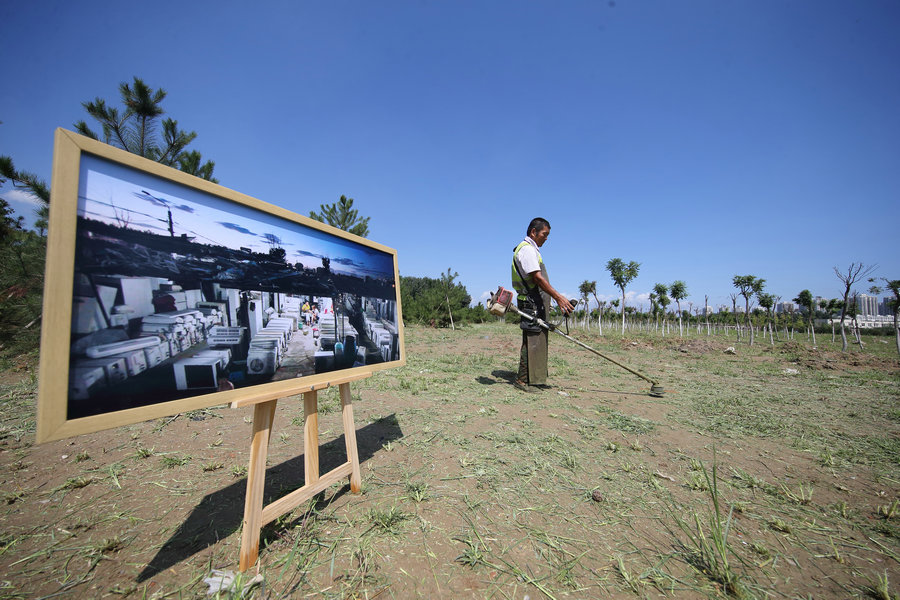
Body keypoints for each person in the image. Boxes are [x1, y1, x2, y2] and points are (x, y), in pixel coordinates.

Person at [512, 217, 574, 391]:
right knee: (531, 339)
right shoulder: (527, 250)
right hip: (531, 302)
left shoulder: (532, 250)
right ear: (533, 232)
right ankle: (522, 380)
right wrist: (558, 297)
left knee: (538, 340)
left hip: (537, 301)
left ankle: (534, 379)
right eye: (544, 234)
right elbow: (537, 278)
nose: (546, 238)